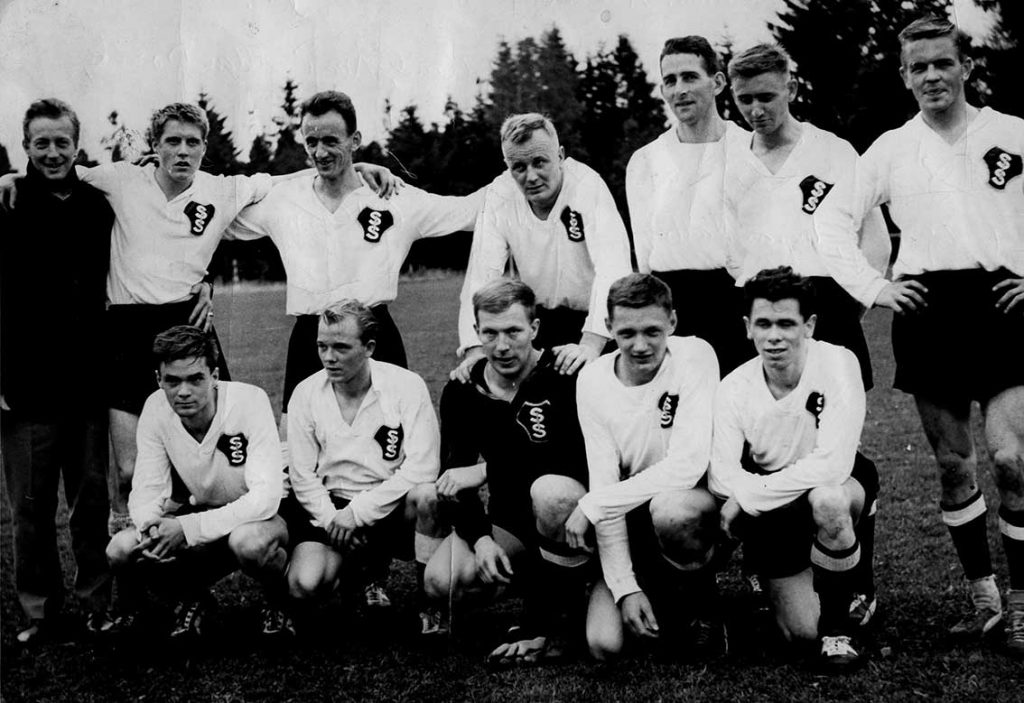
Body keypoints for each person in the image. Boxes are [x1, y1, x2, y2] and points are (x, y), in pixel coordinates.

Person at [0, 101, 399, 534]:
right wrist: (12, 177)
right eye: (172, 141)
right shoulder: (120, 178)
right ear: (154, 146)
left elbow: (290, 180)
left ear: (204, 147)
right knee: (130, 470)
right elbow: (59, 172)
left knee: (214, 459)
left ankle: (208, 548)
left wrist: (360, 167)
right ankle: (137, 556)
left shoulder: (221, 190)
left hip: (188, 324)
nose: (182, 151)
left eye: (192, 142)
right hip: (126, 332)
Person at [817, 15, 1024, 657]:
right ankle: (984, 598)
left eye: (943, 62)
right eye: (919, 66)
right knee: (954, 464)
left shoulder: (1012, 133)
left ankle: (1022, 604)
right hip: (929, 309)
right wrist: (875, 288)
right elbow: (830, 223)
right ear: (904, 76)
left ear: (966, 66)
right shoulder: (889, 149)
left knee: (1012, 459)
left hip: (1003, 305)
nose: (932, 75)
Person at [724, 43, 889, 623]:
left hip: (824, 308)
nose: (755, 110)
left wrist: (849, 311)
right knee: (761, 439)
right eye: (744, 99)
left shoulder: (832, 151)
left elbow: (874, 237)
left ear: (791, 88)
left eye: (767, 96)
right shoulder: (729, 158)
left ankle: (858, 581)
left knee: (836, 452)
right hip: (758, 306)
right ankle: (766, 564)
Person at [226, 90, 483, 419]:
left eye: (331, 141)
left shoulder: (393, 197)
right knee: (296, 443)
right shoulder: (284, 200)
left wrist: (526, 174)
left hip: (375, 337)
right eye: (311, 142)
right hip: (310, 341)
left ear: (355, 139)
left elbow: (469, 211)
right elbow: (214, 220)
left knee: (392, 440)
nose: (320, 152)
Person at [710, 267, 878, 670]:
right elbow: (720, 474)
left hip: (836, 483)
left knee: (830, 500)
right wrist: (754, 497)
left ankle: (840, 627)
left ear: (809, 325)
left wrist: (748, 496)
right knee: (801, 632)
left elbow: (833, 464)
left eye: (786, 324)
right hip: (775, 504)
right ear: (747, 327)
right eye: (763, 324)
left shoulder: (839, 362)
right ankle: (770, 573)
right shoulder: (734, 386)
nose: (774, 336)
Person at [423, 279, 592, 664]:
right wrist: (481, 538)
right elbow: (453, 481)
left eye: (513, 331)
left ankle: (562, 610)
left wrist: (486, 469)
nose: (501, 346)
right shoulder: (463, 390)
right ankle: (538, 579)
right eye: (490, 333)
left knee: (553, 494)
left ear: (534, 328)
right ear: (476, 332)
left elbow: (577, 465)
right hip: (511, 523)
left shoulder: (566, 374)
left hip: (574, 519)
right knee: (443, 580)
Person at [0, 98, 115, 643]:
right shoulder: (7, 202)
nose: (51, 152)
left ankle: (98, 604)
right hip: (24, 388)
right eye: (41, 142)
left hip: (89, 384)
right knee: (31, 507)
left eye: (61, 142)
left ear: (77, 144)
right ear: (25, 146)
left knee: (91, 504)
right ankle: (40, 613)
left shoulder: (99, 204)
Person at [562, 273, 722, 660]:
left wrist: (595, 504)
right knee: (604, 644)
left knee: (673, 508)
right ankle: (639, 586)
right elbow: (604, 481)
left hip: (686, 512)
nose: (640, 345)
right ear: (608, 328)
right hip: (629, 514)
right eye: (626, 333)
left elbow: (687, 466)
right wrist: (624, 587)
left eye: (652, 331)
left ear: (672, 321)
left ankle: (700, 607)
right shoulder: (592, 379)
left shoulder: (696, 355)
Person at [105, 326, 290, 640]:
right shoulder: (155, 407)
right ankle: (192, 599)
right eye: (172, 381)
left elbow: (265, 498)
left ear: (214, 376)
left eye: (195, 379)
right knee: (120, 549)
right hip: (202, 514)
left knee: (249, 543)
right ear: (158, 379)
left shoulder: (249, 401)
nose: (183, 391)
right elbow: (148, 488)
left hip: (260, 519)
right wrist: (151, 526)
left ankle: (279, 601)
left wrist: (187, 529)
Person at [282, 300, 444, 631]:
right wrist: (333, 520)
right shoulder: (305, 393)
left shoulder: (406, 385)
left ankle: (431, 600)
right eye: (322, 346)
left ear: (369, 347)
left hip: (392, 505)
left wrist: (358, 513)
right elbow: (302, 474)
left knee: (428, 496)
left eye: (341, 347)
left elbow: (423, 467)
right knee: (304, 584)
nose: (329, 357)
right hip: (333, 508)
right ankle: (357, 572)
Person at [453, 113, 632, 381]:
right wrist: (474, 349)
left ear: (560, 156)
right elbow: (481, 276)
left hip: (597, 321)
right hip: (539, 322)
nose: (531, 177)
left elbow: (613, 267)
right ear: (507, 166)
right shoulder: (500, 194)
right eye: (519, 167)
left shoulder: (586, 185)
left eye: (539, 162)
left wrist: (591, 344)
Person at [626, 36, 753, 376]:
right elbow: (644, 255)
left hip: (737, 305)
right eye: (670, 80)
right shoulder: (645, 160)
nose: (679, 89)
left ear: (718, 82)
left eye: (690, 77)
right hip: (671, 306)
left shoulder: (750, 150)